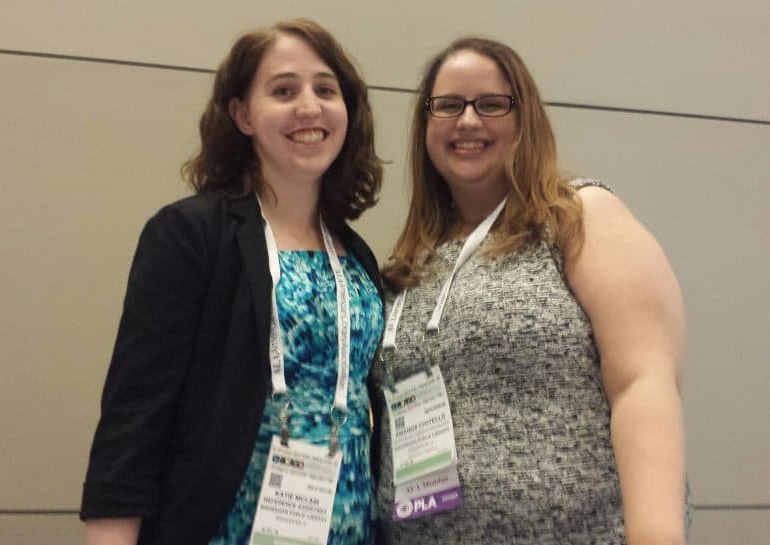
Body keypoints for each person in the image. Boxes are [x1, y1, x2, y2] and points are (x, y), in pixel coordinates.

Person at [80, 19, 384, 545]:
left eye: (326, 90)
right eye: (284, 90)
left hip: (350, 529)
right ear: (242, 114)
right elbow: (134, 416)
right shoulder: (191, 234)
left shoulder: (354, 255)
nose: (309, 107)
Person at [375, 37, 689, 544]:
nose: (469, 121)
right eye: (449, 105)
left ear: (526, 119)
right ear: (425, 126)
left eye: (492, 104)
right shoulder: (413, 260)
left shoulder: (578, 216)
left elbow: (643, 383)